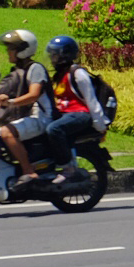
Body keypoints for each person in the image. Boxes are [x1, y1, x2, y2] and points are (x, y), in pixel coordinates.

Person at [41, 35, 109, 179]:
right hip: (65, 115)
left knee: (54, 129)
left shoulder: (77, 73)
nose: (52, 59)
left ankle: (68, 168)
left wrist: (100, 125)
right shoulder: (60, 75)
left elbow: (91, 100)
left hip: (80, 114)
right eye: (51, 55)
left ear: (65, 55)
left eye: (55, 55)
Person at [0, 29, 53, 186]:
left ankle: (28, 171)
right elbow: (10, 100)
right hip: (30, 117)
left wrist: (10, 102)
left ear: (22, 50)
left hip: (42, 118)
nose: (7, 52)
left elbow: (33, 95)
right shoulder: (19, 71)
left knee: (6, 132)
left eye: (11, 48)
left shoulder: (35, 69)